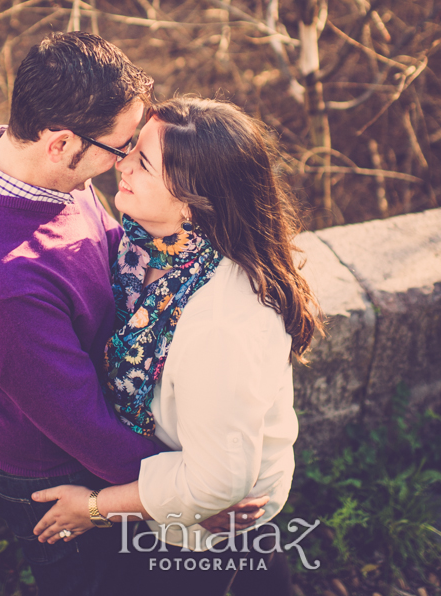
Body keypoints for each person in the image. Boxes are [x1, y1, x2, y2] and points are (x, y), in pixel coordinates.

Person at [0, 34, 264, 596]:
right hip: (51, 466)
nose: (125, 166)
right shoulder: (4, 285)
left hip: (82, 424)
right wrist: (193, 498)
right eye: (122, 149)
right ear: (61, 143)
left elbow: (106, 241)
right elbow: (84, 426)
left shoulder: (23, 161)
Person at [31, 97, 325, 596]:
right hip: (181, 511)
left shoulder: (221, 324)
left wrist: (94, 507)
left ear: (190, 201)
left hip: (207, 539)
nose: (121, 161)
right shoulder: (144, 242)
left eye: (142, 162)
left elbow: (214, 485)